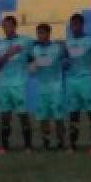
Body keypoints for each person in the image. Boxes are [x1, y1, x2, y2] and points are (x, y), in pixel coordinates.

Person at [0, 15, 36, 153]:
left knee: (23, 115)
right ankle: (4, 146)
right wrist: (7, 55)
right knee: (5, 116)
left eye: (9, 25)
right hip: (4, 84)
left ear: (15, 26)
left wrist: (32, 68)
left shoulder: (26, 41)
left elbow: (35, 55)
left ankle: (28, 146)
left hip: (19, 84)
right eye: (4, 26)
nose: (6, 28)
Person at [64, 13, 91, 154]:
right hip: (72, 81)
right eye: (73, 25)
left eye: (77, 24)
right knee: (74, 114)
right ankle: (72, 145)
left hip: (86, 80)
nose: (75, 27)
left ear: (82, 25)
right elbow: (66, 60)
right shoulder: (68, 42)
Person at [30, 23, 67, 151]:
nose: (40, 36)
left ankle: (61, 142)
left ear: (48, 34)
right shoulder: (34, 49)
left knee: (58, 116)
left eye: (42, 33)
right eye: (38, 33)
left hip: (56, 86)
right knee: (43, 116)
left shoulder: (57, 48)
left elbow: (66, 61)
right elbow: (31, 65)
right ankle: (46, 142)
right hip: (41, 86)